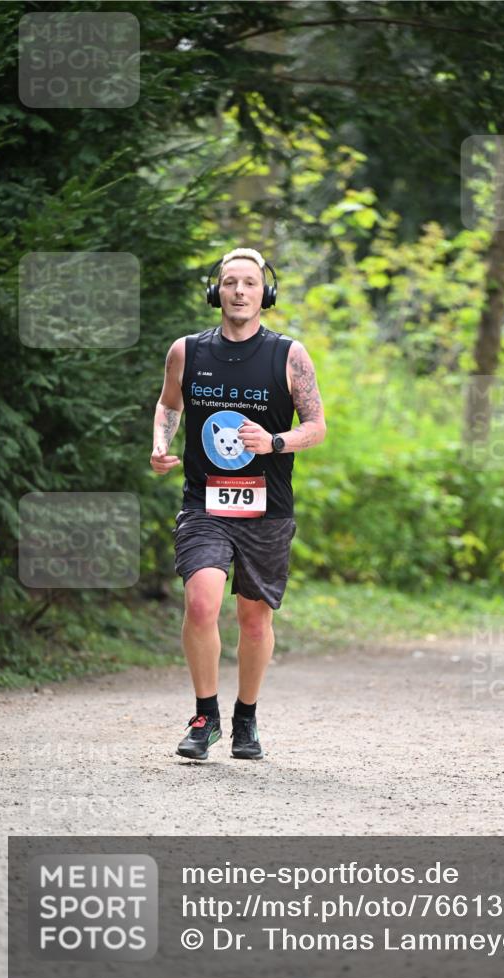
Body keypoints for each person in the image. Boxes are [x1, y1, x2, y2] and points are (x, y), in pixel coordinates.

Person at [150, 247, 326, 761]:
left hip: (266, 508)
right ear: (216, 291)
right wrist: (162, 442)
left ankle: (245, 717)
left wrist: (273, 442)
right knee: (201, 601)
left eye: (250, 282)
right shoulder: (186, 352)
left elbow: (316, 427)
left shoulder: (290, 356)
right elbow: (168, 403)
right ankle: (205, 716)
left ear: (264, 293)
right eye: (230, 282)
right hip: (204, 503)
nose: (241, 291)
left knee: (254, 620)